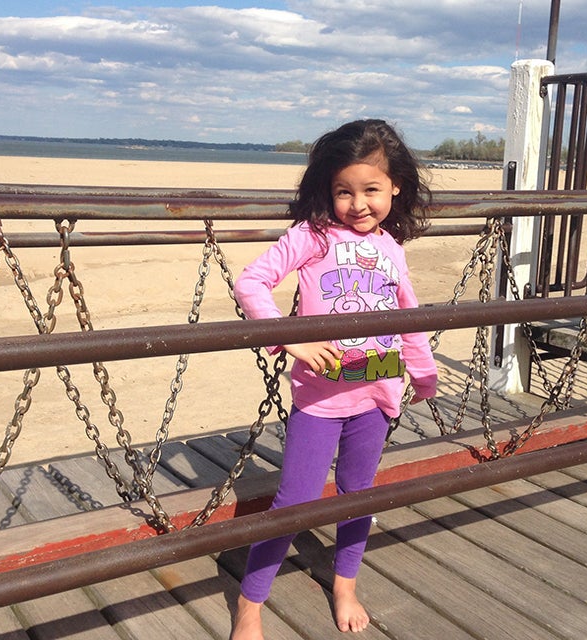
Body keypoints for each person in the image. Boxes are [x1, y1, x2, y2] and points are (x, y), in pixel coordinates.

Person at [230, 119, 438, 639]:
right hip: (321, 397)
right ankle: (250, 604)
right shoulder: (313, 236)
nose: (358, 203)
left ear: (396, 188)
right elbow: (251, 281)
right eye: (344, 191)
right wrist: (289, 337)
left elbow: (406, 314)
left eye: (371, 189)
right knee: (294, 503)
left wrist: (424, 371)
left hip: (377, 389)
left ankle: (345, 584)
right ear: (328, 189)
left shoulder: (392, 247)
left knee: (358, 493)